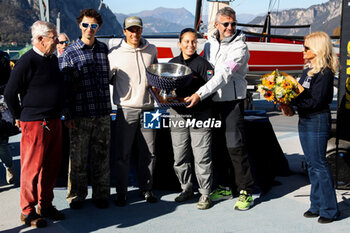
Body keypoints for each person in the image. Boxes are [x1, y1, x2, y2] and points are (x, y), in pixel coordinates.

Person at [185, 7, 254, 211]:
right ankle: (225, 186)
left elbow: (223, 75)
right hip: (213, 102)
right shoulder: (209, 44)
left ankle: (246, 191)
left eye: (233, 23)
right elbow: (203, 69)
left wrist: (199, 94)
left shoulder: (240, 48)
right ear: (216, 25)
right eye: (226, 24)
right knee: (219, 146)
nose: (230, 27)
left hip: (232, 102)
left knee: (235, 146)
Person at [4, 21, 65, 228]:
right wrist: (19, 116)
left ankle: (45, 205)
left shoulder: (52, 60)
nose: (57, 41)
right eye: (54, 38)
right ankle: (28, 211)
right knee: (31, 169)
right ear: (40, 39)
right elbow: (10, 93)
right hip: (34, 123)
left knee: (51, 167)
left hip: (54, 120)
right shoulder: (26, 61)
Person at [282, 31, 339, 224]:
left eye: (306, 47)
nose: (303, 50)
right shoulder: (307, 72)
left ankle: (330, 210)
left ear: (317, 49)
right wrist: (285, 101)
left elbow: (316, 101)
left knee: (319, 164)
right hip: (305, 119)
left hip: (317, 120)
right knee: (311, 164)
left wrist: (294, 103)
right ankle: (316, 205)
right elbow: (298, 94)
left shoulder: (325, 73)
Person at [59, 8, 111, 210]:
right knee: (78, 159)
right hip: (80, 115)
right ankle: (76, 196)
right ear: (79, 25)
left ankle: (101, 194)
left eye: (94, 25)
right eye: (85, 25)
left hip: (102, 113)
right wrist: (68, 114)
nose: (89, 29)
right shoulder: (70, 53)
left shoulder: (104, 50)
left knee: (102, 157)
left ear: (98, 28)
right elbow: (64, 88)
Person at [108, 16, 158, 206]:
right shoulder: (114, 54)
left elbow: (156, 75)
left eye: (137, 29)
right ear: (124, 31)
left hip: (150, 109)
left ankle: (147, 189)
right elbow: (108, 79)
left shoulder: (151, 50)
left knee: (150, 153)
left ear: (142, 30)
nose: (134, 33)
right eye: (131, 30)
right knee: (123, 154)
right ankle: (122, 193)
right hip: (125, 109)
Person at [167, 28, 214, 210]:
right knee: (180, 156)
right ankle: (186, 189)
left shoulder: (204, 65)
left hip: (200, 115)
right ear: (179, 43)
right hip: (177, 114)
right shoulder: (171, 64)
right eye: (186, 41)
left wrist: (197, 96)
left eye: (193, 42)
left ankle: (204, 194)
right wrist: (166, 97)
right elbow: (166, 90)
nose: (190, 45)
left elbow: (211, 90)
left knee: (202, 156)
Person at [0, 48, 16, 185]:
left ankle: (8, 165)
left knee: (1, 144)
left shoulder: (3, 60)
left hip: (0, 104)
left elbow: (9, 84)